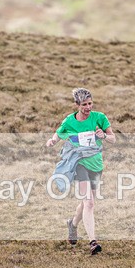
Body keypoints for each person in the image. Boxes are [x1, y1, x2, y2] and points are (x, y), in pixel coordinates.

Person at [46, 88, 115, 254]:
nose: (88, 107)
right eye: (84, 104)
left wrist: (103, 136)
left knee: (86, 202)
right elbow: (58, 133)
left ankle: (73, 224)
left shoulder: (100, 117)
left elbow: (113, 139)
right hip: (79, 163)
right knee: (89, 202)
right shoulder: (70, 121)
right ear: (77, 105)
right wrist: (52, 141)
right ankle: (93, 242)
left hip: (96, 164)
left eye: (90, 103)